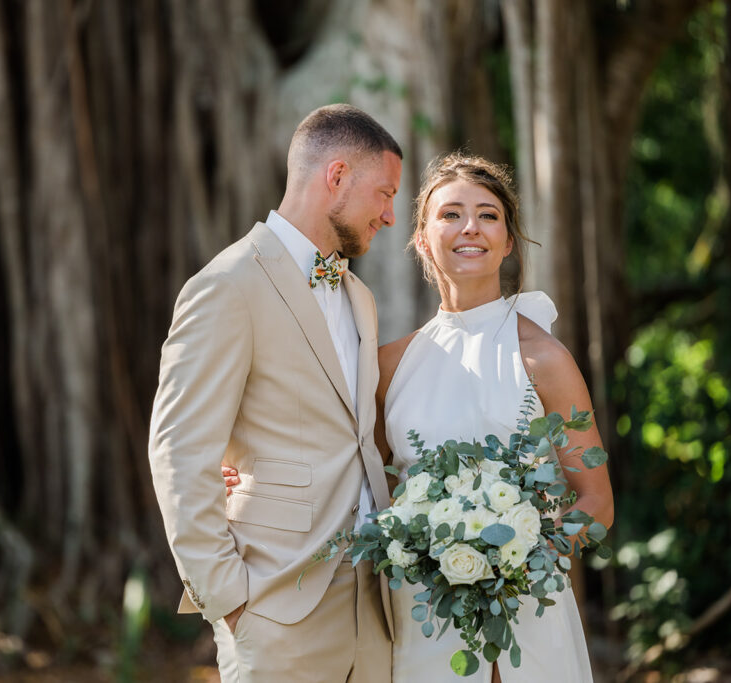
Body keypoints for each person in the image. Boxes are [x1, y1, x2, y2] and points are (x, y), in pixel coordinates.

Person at [225, 152, 614, 682]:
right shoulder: (388, 365)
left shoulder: (543, 359)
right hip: (423, 612)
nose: (470, 227)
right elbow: (352, 476)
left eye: (489, 215)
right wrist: (248, 479)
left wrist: (520, 559)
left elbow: (596, 503)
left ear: (508, 240)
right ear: (422, 240)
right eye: (450, 214)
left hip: (527, 608)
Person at [149, 103, 403, 681]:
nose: (390, 216)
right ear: (336, 176)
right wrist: (230, 600)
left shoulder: (359, 298)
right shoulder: (226, 286)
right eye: (384, 193)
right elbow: (179, 451)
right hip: (276, 608)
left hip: (375, 605)